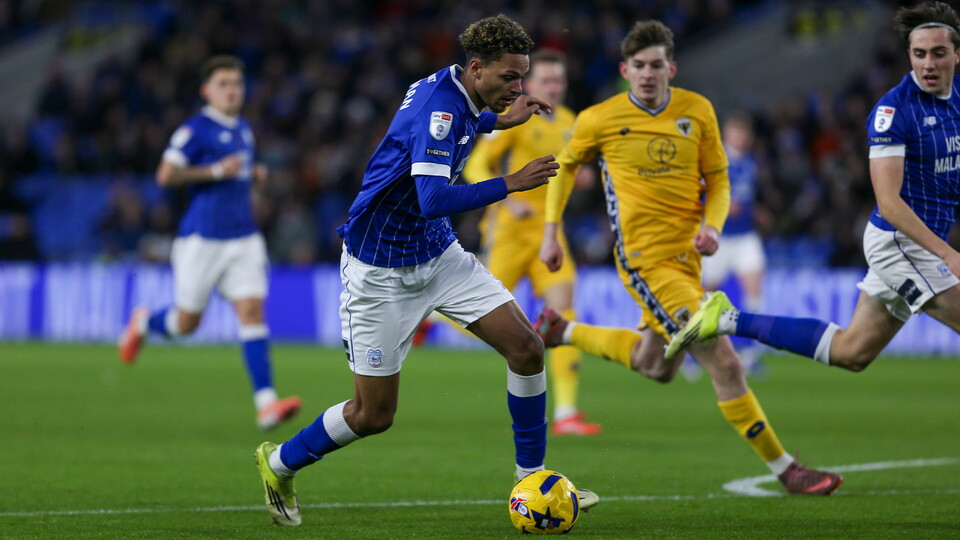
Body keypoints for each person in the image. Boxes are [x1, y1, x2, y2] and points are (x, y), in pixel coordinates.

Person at [253, 15, 598, 527]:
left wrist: (497, 120)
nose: (518, 87)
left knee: (527, 348)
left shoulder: (451, 87)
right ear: (477, 68)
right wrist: (512, 182)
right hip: (379, 270)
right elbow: (433, 196)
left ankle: (534, 481)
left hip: (438, 256)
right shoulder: (439, 109)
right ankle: (279, 462)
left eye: (522, 77)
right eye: (509, 78)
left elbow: (459, 125)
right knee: (373, 415)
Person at [537, 20, 842, 495]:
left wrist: (713, 228)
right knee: (725, 362)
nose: (647, 74)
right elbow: (564, 168)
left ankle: (564, 331)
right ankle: (786, 469)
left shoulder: (696, 110)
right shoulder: (599, 118)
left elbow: (719, 179)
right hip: (643, 260)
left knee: (655, 366)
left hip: (687, 260)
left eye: (656, 65)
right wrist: (551, 232)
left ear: (671, 68)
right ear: (625, 69)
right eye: (638, 66)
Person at [666, 2, 960, 372]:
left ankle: (727, 320)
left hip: (925, 240)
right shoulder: (895, 112)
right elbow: (888, 204)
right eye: (919, 54)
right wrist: (948, 254)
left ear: (956, 54)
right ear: (909, 56)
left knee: (851, 352)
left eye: (938, 53)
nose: (928, 64)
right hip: (901, 243)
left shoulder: (956, 100)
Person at [419, 50, 601, 436]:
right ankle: (431, 317)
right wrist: (509, 197)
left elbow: (568, 171)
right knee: (476, 314)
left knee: (562, 313)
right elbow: (476, 164)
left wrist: (579, 179)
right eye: (546, 81)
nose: (554, 87)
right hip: (508, 232)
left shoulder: (570, 122)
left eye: (558, 81)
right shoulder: (514, 119)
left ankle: (567, 412)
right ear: (531, 85)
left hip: (549, 234)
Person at [117, 55, 302, 431]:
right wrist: (216, 170)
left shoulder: (244, 129)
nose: (233, 90)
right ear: (206, 91)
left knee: (252, 314)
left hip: (244, 237)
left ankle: (266, 404)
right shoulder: (195, 130)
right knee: (187, 323)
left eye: (237, 82)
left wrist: (253, 174)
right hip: (202, 239)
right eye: (223, 83)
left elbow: (237, 174)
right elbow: (166, 175)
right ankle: (143, 323)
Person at [684, 112, 767, 380]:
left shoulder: (751, 163)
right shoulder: (715, 160)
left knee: (754, 294)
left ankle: (751, 356)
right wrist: (718, 206)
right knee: (703, 298)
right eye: (736, 133)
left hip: (746, 238)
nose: (740, 138)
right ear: (727, 136)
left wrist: (758, 212)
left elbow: (746, 198)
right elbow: (694, 193)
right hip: (717, 237)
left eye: (744, 134)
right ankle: (691, 352)